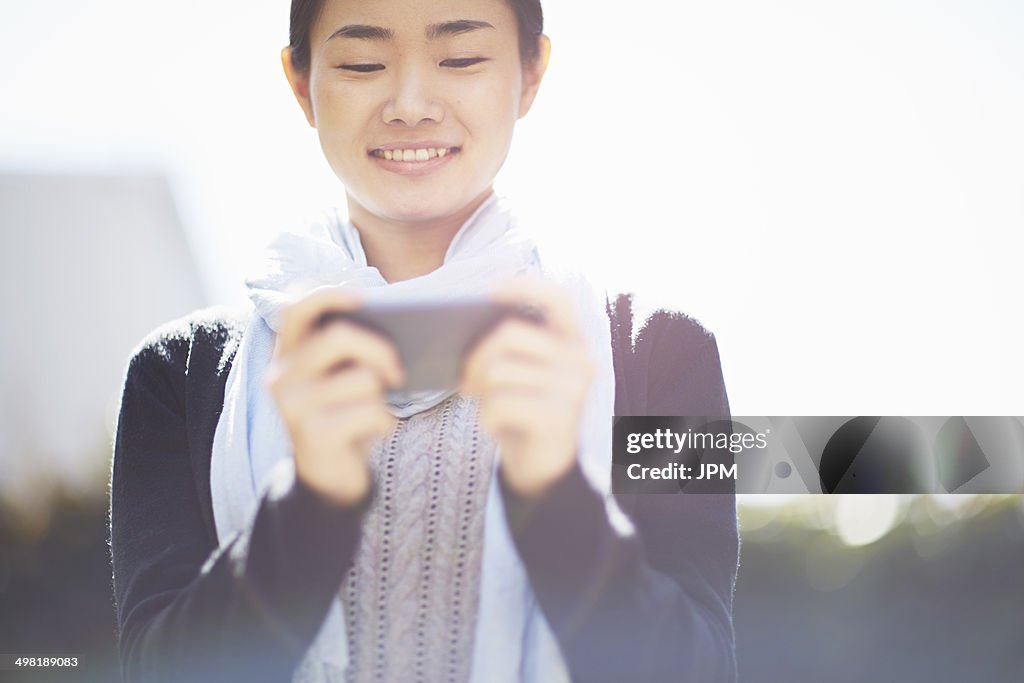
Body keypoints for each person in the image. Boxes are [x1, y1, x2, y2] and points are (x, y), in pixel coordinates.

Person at [108, 1, 739, 681]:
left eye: (461, 58)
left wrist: (556, 493)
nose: (410, 104)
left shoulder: (665, 354)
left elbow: (700, 666)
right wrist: (311, 499)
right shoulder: (180, 376)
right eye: (362, 63)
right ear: (301, 82)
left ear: (532, 74)